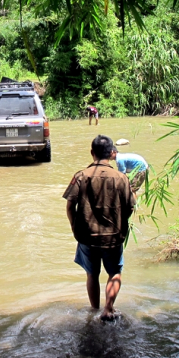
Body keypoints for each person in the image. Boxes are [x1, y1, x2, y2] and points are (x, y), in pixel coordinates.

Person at [63, 135, 136, 320]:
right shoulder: (121, 178)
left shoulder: (81, 176)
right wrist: (120, 225)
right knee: (115, 273)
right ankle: (108, 308)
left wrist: (74, 228)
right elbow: (130, 207)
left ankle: (94, 311)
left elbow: (70, 206)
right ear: (111, 153)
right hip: (113, 237)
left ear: (92, 153)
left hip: (87, 237)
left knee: (91, 274)